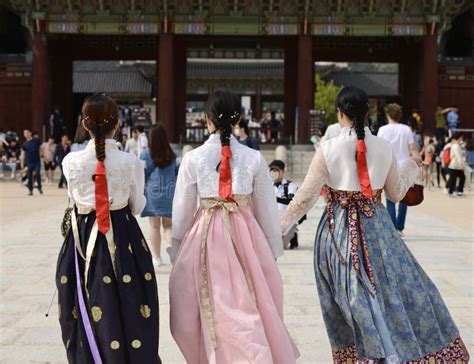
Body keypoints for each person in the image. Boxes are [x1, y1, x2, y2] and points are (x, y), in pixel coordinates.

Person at [280, 86, 470, 363]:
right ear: (367, 112)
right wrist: (411, 167)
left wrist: (277, 228)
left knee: (351, 297)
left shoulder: (328, 148)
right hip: (378, 227)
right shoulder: (383, 147)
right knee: (393, 290)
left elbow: (304, 199)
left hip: (339, 231)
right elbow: (395, 193)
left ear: (339, 113)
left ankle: (364, 355)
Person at [169, 89, 299, 363]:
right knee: (247, 303)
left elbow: (181, 210)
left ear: (206, 119)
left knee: (212, 303)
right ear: (239, 119)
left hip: (203, 236)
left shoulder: (192, 158)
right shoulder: (253, 157)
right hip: (245, 235)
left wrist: (178, 248)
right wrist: (272, 248)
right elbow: (266, 209)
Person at [56, 93, 160, 363]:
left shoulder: (70, 161)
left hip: (82, 243)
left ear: (84, 124)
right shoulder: (131, 163)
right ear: (117, 125)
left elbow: (73, 198)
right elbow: (137, 206)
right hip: (124, 240)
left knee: (82, 304)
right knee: (130, 302)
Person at [377, 103, 420, 235]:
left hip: (390, 165)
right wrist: (417, 159)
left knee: (390, 198)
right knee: (404, 197)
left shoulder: (383, 130)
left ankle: (392, 226)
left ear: (388, 114)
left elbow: (379, 149)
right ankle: (400, 227)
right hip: (405, 165)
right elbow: (412, 147)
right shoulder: (406, 129)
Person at [140, 124, 177, 268]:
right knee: (168, 225)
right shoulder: (172, 154)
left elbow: (142, 174)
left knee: (154, 226)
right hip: (169, 192)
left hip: (153, 193)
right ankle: (169, 244)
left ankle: (157, 257)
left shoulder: (145, 154)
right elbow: (177, 173)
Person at [269, 159, 302, 249]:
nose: (274, 173)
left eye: (277, 170)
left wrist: (274, 199)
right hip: (273, 221)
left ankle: (293, 235)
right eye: (272, 170)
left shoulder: (290, 185)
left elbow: (291, 201)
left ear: (283, 171)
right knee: (269, 246)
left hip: (288, 221)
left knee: (281, 246)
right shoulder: (267, 186)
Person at [22, 130, 43, 195]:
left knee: (37, 173)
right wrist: (22, 163)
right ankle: (30, 190)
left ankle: (39, 186)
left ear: (30, 133)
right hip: (29, 162)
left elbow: (41, 148)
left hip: (37, 161)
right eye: (25, 133)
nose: (26, 134)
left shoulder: (36, 140)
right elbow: (23, 153)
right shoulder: (25, 144)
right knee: (30, 176)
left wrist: (42, 157)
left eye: (27, 133)